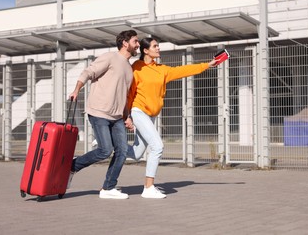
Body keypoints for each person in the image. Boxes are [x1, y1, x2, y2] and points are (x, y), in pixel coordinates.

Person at [126, 37, 219, 199]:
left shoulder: (162, 70)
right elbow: (129, 93)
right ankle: (148, 187)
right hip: (138, 111)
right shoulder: (137, 68)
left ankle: (108, 142)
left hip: (151, 115)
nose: (158, 48)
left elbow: (183, 70)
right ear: (146, 50)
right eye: (155, 46)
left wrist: (208, 65)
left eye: (158, 46)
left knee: (136, 153)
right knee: (157, 146)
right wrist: (126, 115)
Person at [67, 30, 139, 199]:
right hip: (99, 112)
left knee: (122, 151)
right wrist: (77, 90)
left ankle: (108, 188)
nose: (137, 44)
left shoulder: (129, 68)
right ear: (125, 43)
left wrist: (127, 116)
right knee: (105, 150)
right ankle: (72, 166)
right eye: (135, 41)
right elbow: (88, 72)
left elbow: (123, 95)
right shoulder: (110, 57)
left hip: (117, 117)